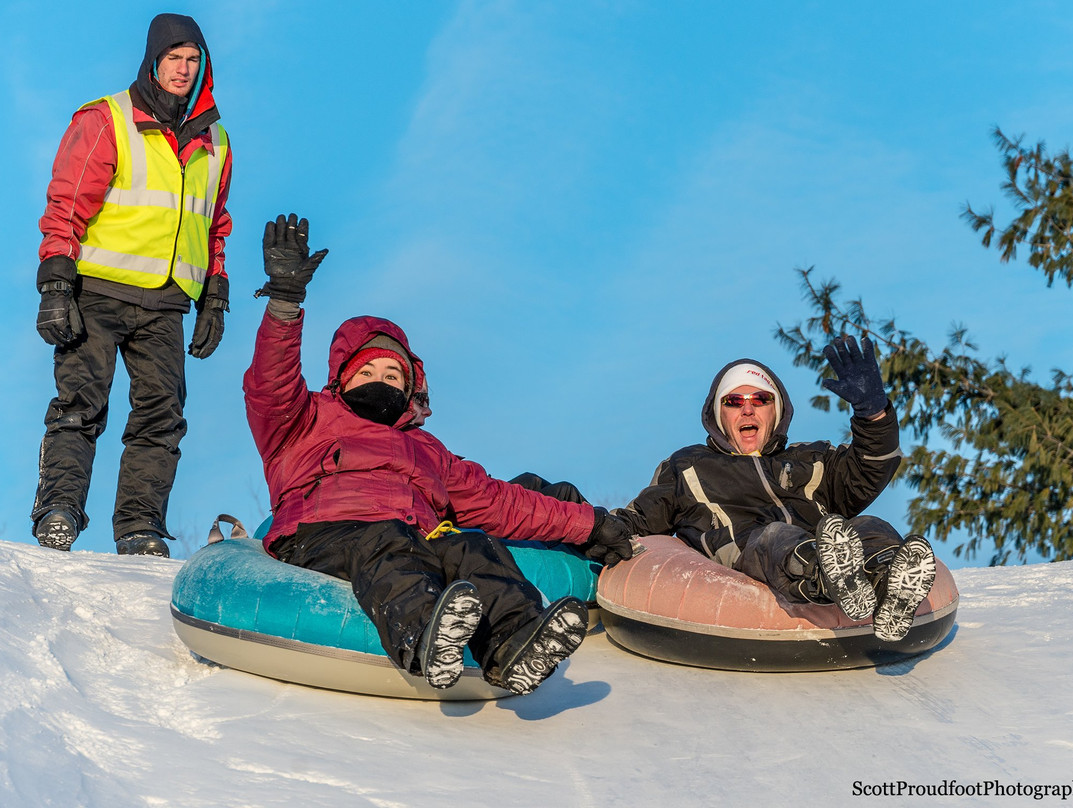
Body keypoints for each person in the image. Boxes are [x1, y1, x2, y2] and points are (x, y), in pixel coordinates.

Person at [243, 214, 633, 694]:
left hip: (416, 535)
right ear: (342, 379)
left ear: (410, 387)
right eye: (368, 373)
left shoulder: (428, 452)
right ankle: (425, 635)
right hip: (326, 533)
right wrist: (285, 303)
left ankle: (515, 643)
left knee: (473, 546)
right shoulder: (305, 420)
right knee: (384, 540)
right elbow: (270, 384)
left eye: (393, 376)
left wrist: (590, 524)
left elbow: (500, 502)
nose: (381, 383)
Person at [31, 13, 233, 558]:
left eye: (193, 60)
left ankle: (141, 530)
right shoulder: (107, 120)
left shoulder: (215, 140)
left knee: (161, 419)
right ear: (153, 60)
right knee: (79, 406)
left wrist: (215, 294)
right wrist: (55, 282)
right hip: (97, 291)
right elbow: (68, 202)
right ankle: (59, 511)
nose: (183, 69)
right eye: (174, 58)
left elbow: (214, 221)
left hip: (167, 303)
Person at [611, 336, 937, 642]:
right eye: (734, 401)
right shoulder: (688, 466)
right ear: (718, 413)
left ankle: (890, 587)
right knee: (775, 536)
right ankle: (827, 575)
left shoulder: (810, 457)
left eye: (761, 399)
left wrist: (874, 414)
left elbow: (870, 469)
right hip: (752, 553)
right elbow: (639, 518)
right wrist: (589, 524)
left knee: (872, 526)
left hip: (828, 540)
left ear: (776, 410)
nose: (748, 409)